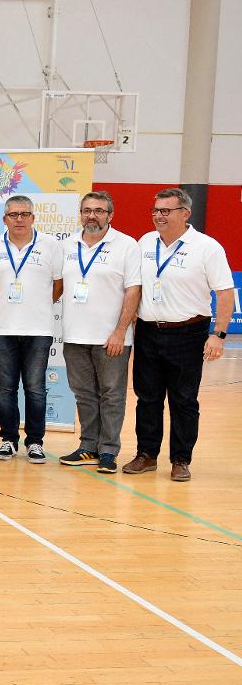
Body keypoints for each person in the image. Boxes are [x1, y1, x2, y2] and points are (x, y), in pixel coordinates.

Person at [125, 188, 235, 482]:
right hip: (148, 331)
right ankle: (146, 455)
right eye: (155, 211)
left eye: (165, 211)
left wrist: (219, 335)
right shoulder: (145, 242)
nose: (158, 216)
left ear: (185, 213)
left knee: (184, 400)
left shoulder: (207, 247)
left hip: (188, 332)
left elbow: (225, 293)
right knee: (147, 398)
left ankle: (180, 459)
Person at [57, 192, 140, 475]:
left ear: (110, 215)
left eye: (99, 211)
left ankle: (108, 451)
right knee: (84, 395)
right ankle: (88, 446)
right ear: (80, 214)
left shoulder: (126, 245)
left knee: (112, 395)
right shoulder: (67, 245)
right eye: (87, 210)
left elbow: (133, 290)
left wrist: (120, 331)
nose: (92, 215)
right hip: (75, 336)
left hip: (111, 338)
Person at [0, 195, 64, 464]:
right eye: (13, 215)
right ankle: (8, 440)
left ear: (32, 218)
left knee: (35, 388)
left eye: (24, 214)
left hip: (38, 328)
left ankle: (36, 442)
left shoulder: (50, 245)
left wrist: (34, 305)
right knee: (5, 388)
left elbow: (58, 286)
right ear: (5, 219)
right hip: (2, 328)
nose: (19, 219)